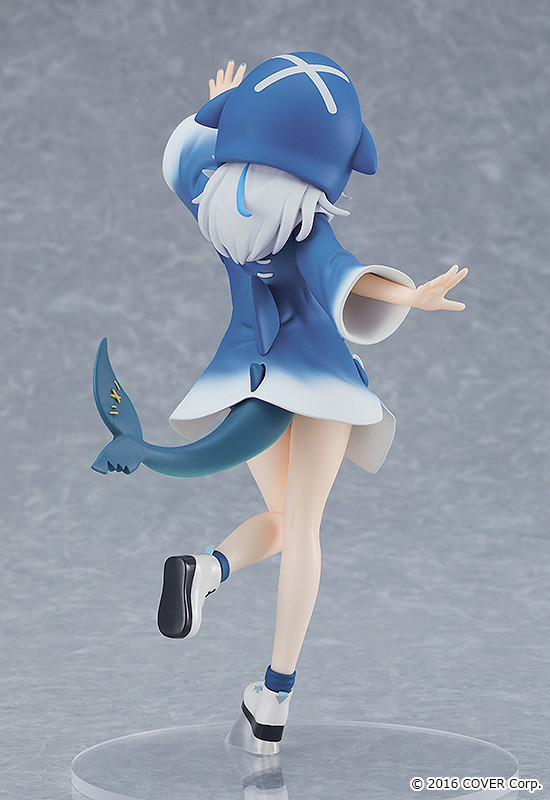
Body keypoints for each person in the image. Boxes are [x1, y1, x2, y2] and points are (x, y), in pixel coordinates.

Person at [93, 53, 467, 754]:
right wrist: (409, 296)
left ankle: (206, 570)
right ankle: (274, 699)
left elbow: (181, 162)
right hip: (318, 383)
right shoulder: (304, 227)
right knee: (303, 528)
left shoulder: (217, 205)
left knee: (283, 521)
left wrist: (215, 112)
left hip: (247, 375)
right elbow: (343, 277)